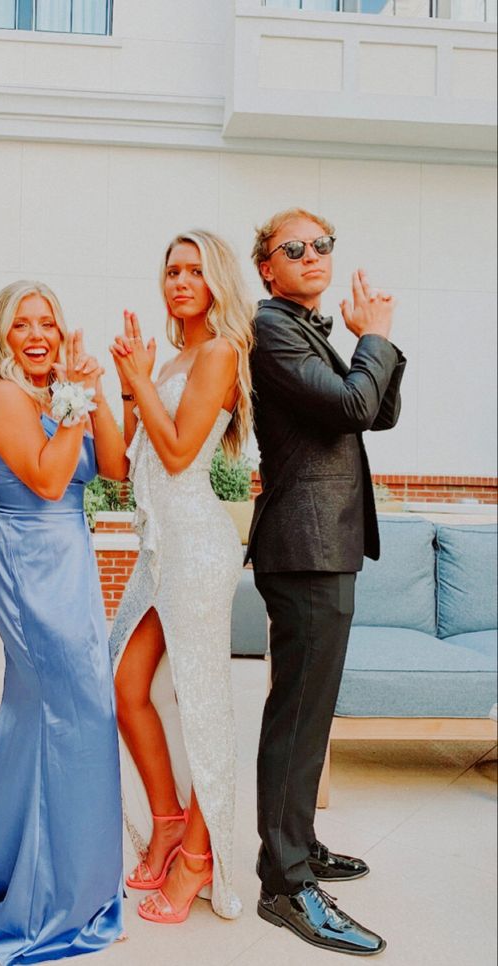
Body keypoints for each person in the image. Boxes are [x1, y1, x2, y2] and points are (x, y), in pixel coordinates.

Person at [0, 281, 127, 964]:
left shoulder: (60, 396)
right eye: (23, 325)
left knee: (40, 717)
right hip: (33, 569)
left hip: (72, 566)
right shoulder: (1, 397)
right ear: (2, 337)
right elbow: (49, 482)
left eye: (49, 321)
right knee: (77, 714)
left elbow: (115, 467)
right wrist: (72, 401)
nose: (39, 334)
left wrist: (93, 390)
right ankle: (49, 893)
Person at [247, 207, 406, 956]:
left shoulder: (312, 329)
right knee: (297, 713)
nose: (313, 254)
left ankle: (298, 847)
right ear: (266, 267)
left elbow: (377, 413)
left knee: (311, 712)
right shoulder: (271, 327)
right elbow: (351, 404)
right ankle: (284, 884)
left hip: (327, 542)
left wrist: (377, 339)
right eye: (295, 247)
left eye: (323, 245)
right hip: (303, 544)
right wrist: (371, 339)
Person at [108, 230, 253, 925]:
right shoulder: (174, 355)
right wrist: (129, 385)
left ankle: (199, 859)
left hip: (197, 546)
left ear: (218, 281)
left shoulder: (222, 351)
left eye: (194, 270)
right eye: (171, 270)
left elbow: (176, 455)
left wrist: (139, 382)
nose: (180, 281)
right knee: (124, 684)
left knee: (202, 704)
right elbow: (139, 456)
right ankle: (166, 821)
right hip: (159, 547)